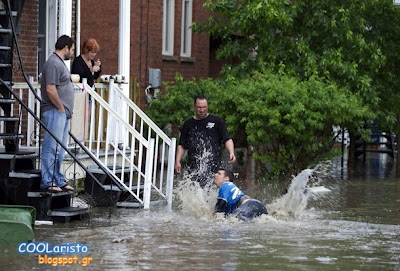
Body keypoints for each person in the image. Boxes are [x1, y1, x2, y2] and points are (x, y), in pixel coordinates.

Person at [175, 95, 236, 187]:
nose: (202, 110)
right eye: (199, 107)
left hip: (213, 165)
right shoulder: (188, 124)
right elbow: (182, 145)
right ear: (195, 107)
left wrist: (231, 152)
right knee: (193, 189)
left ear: (207, 106)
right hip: (194, 165)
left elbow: (227, 139)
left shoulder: (217, 121)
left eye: (204, 107)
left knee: (211, 189)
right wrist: (178, 161)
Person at [40, 35, 75, 192]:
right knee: (51, 147)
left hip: (62, 113)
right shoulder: (53, 63)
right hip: (55, 111)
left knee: (60, 148)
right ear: (66, 47)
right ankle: (47, 182)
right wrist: (61, 107)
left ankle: (58, 180)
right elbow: (50, 88)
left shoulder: (59, 63)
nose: (72, 53)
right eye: (72, 49)